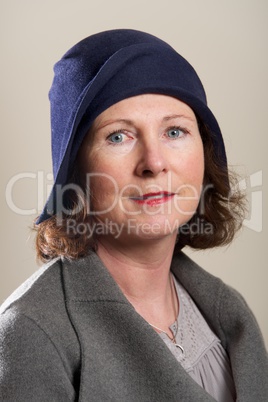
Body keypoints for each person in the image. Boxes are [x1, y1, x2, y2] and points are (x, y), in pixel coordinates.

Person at [0, 29, 267, 402]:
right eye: (118, 137)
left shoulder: (229, 313)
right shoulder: (32, 332)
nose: (154, 163)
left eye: (175, 131)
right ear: (74, 170)